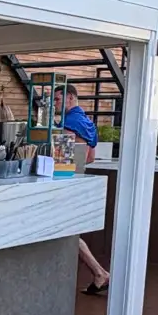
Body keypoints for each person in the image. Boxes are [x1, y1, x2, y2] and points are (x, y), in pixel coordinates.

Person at [55, 84, 110, 296]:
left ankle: (99, 272)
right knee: (71, 232)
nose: (55, 105)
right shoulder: (87, 122)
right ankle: (99, 273)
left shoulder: (69, 123)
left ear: (70, 98)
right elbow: (90, 157)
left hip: (65, 181)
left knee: (68, 232)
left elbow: (61, 156)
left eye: (58, 100)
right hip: (80, 178)